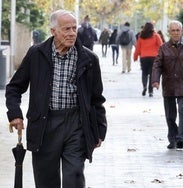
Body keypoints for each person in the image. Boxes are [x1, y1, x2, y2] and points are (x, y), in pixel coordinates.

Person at [5, 9, 107, 188]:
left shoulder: (88, 58)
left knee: (74, 178)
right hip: (44, 125)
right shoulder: (36, 54)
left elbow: (96, 98)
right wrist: (15, 114)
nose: (72, 33)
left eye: (74, 28)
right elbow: (14, 87)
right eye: (66, 29)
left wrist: (99, 129)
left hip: (76, 124)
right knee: (46, 181)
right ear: (53, 31)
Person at [151, 20, 183, 149]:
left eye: (178, 30)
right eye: (173, 30)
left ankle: (181, 138)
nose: (175, 33)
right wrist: (155, 80)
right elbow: (157, 65)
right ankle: (172, 138)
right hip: (169, 85)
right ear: (169, 32)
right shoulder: (163, 48)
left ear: (181, 31)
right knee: (170, 115)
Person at [133, 22, 163, 97]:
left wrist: (135, 56)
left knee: (144, 73)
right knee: (152, 74)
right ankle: (150, 91)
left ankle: (144, 86)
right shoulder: (156, 36)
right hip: (154, 58)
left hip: (144, 58)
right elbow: (161, 46)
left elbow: (137, 48)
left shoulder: (141, 36)